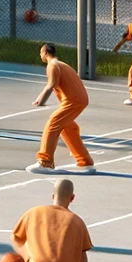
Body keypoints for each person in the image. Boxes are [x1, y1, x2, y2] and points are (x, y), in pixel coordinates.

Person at [27, 44, 95, 176]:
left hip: (73, 100)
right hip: (78, 99)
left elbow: (51, 84)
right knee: (67, 127)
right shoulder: (61, 64)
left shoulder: (52, 65)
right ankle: (85, 160)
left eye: (41, 53)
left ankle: (45, 162)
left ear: (45, 52)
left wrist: (40, 101)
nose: (40, 55)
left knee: (53, 124)